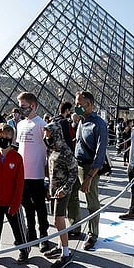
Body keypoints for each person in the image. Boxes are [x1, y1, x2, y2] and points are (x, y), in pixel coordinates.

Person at [0, 123, 30, 264]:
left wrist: (16, 203)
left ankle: (23, 248)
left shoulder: (16, 158)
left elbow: (19, 183)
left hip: (11, 201)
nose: (2, 140)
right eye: (0, 137)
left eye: (6, 137)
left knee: (18, 227)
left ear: (12, 138)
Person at [72, 91, 108, 250]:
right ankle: (74, 227)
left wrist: (90, 177)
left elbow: (100, 153)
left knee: (92, 203)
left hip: (88, 167)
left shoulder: (98, 124)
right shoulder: (81, 121)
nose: (77, 107)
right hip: (75, 164)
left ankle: (93, 235)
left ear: (90, 105)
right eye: (76, 103)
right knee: (71, 198)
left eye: (80, 104)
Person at [16, 92, 50, 252]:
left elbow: (47, 149)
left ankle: (44, 235)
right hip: (22, 173)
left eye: (23, 106)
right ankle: (31, 233)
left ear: (33, 106)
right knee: (26, 206)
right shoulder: (20, 124)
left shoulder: (41, 124)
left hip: (37, 173)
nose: (20, 109)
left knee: (40, 206)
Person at [42, 121, 78, 268]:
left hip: (62, 191)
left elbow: (74, 172)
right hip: (53, 190)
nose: (46, 136)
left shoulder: (64, 150)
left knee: (59, 220)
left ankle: (66, 253)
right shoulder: (51, 149)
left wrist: (65, 188)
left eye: (48, 134)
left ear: (56, 134)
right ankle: (60, 245)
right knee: (57, 222)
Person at [53, 101, 80, 238]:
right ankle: (73, 227)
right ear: (68, 110)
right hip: (67, 163)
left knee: (58, 210)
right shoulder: (64, 122)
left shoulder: (54, 120)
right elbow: (68, 141)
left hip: (56, 166)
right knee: (72, 197)